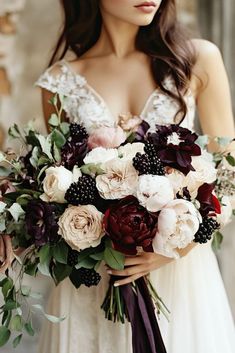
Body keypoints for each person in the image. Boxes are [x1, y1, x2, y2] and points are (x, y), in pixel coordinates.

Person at [1, 1, 235, 352]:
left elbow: (228, 172)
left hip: (178, 278)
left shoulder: (198, 58)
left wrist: (176, 248)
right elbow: (51, 183)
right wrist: (15, 230)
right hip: (93, 284)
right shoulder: (60, 81)